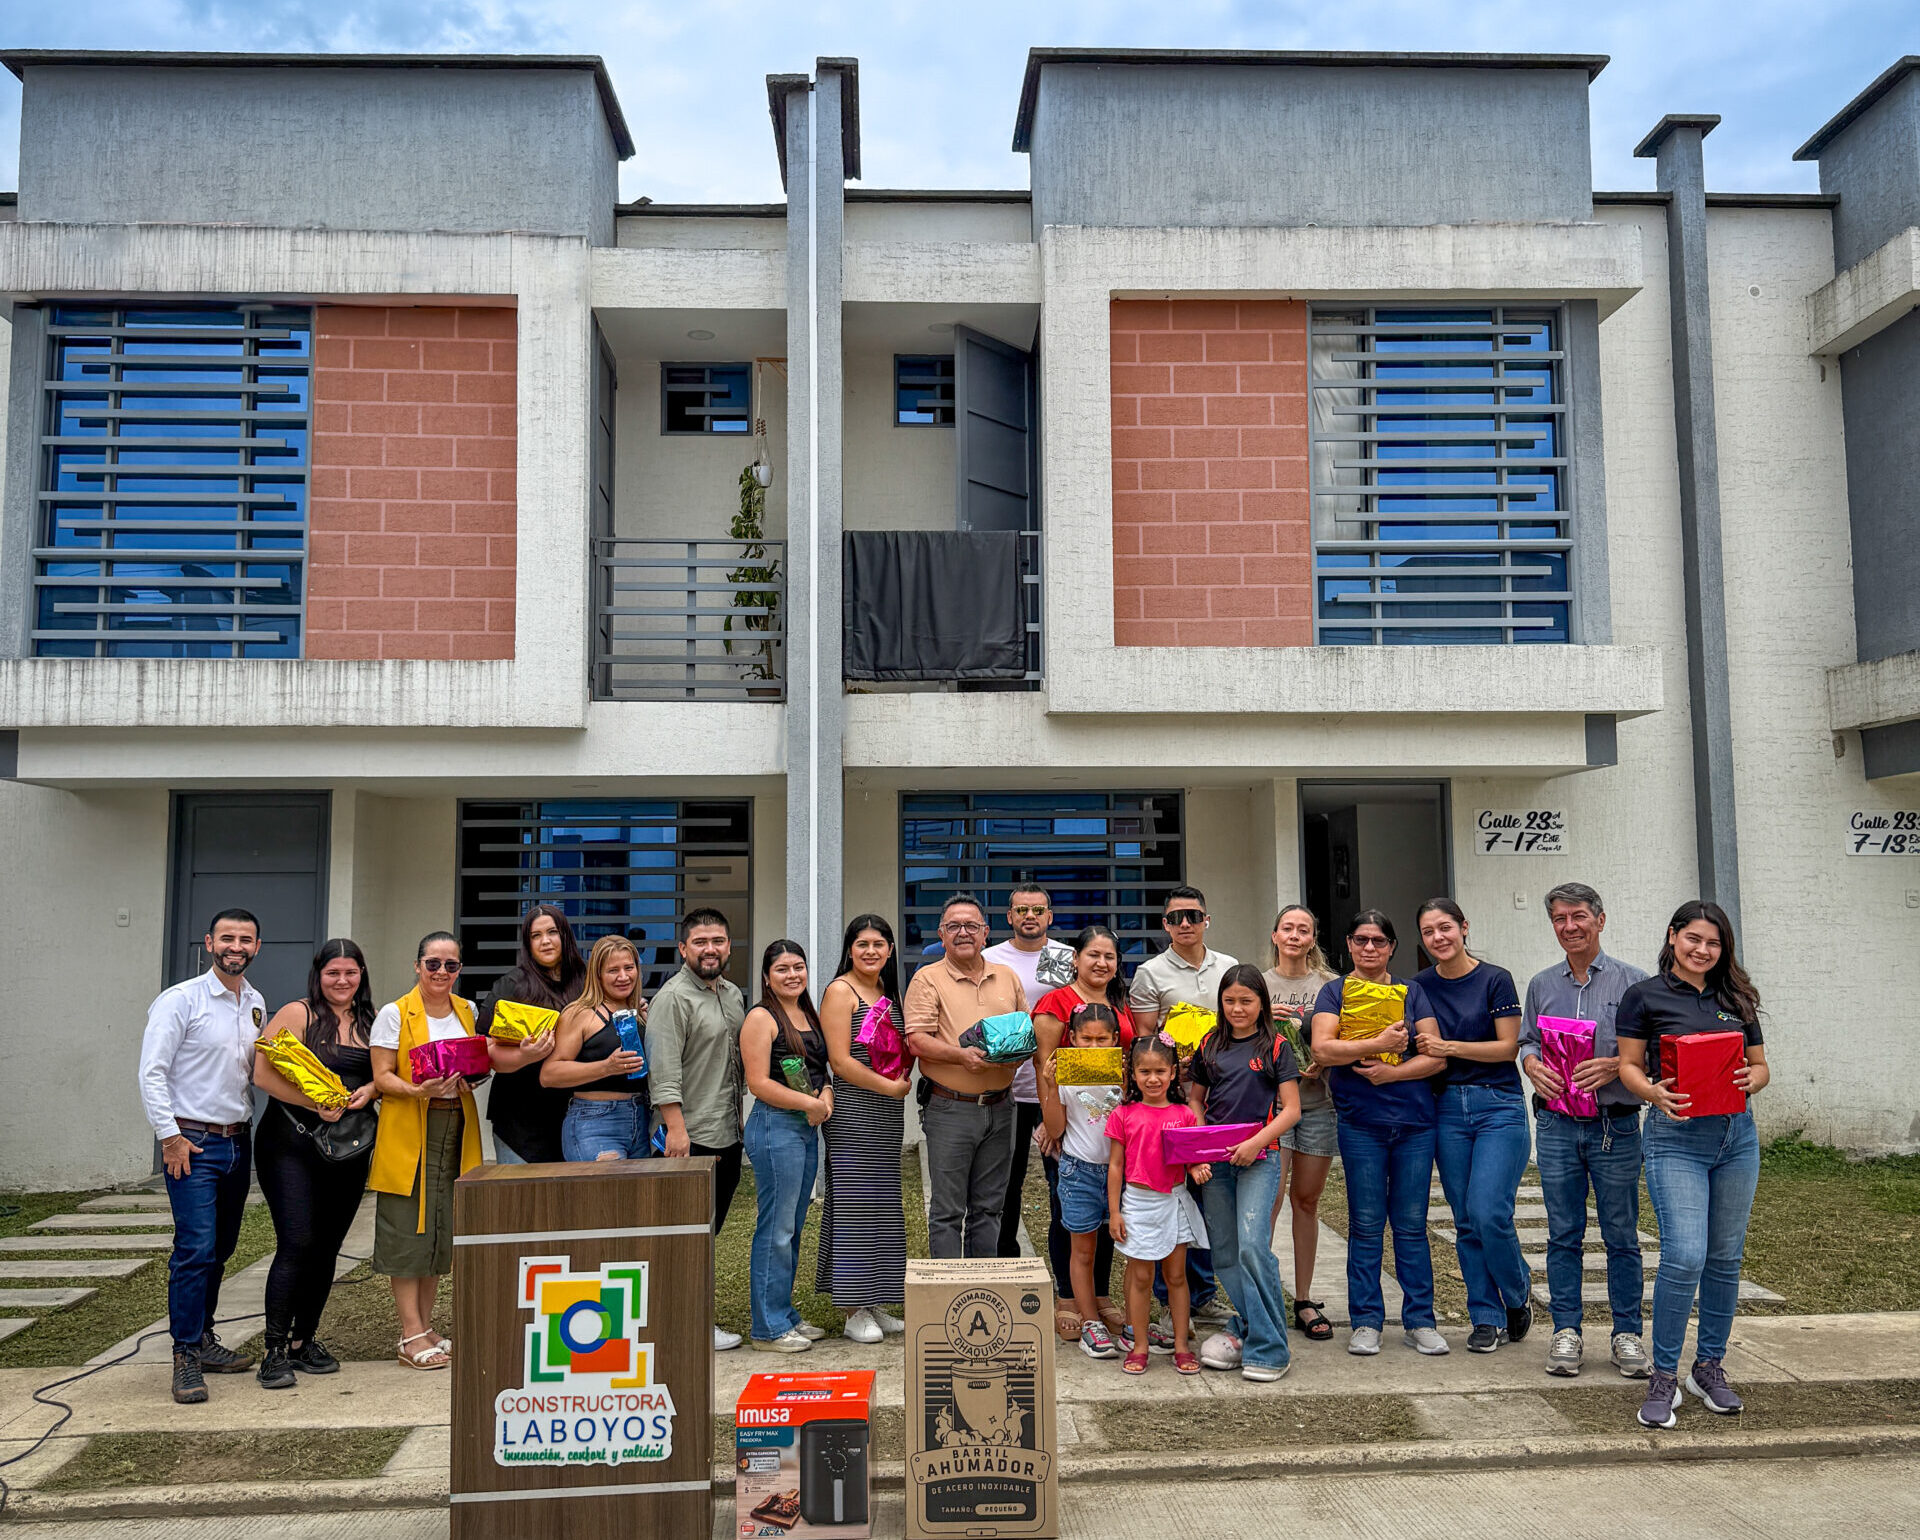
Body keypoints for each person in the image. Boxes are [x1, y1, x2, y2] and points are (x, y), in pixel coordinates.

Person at [1617, 900, 1770, 1430]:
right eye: (1694, 940)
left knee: (1725, 1258)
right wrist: (1652, 1094)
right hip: (1675, 1137)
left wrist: (1756, 1080)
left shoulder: (1737, 998)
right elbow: (1630, 1067)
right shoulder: (1644, 996)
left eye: (1714, 943)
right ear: (1673, 937)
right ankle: (1664, 1375)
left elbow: (1760, 1066)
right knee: (1684, 1256)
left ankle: (1708, 1368)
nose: (1703, 950)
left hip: (1737, 1138)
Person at [1518, 882, 1651, 1379]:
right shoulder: (1541, 984)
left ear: (1600, 919)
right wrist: (1531, 1065)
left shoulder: (1634, 985)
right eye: (1559, 919)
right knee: (1563, 1233)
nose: (1569, 927)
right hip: (1555, 1125)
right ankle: (1566, 1330)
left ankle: (1626, 1333)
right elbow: (1528, 1040)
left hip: (1615, 1127)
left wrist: (1618, 1065)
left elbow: (1654, 1052)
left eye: (1578, 917)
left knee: (1621, 1234)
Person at [138, 908, 267, 1405]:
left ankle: (206, 1338)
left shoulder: (254, 1002)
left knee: (223, 1247)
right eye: (228, 938)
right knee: (195, 1248)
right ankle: (185, 1354)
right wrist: (169, 1137)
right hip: (192, 1143)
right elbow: (152, 1071)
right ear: (210, 942)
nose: (237, 947)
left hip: (238, 1141)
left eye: (247, 940)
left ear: (258, 947)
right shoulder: (180, 1000)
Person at [1310, 910, 1449, 1358]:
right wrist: (1379, 1046)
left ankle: (1420, 1320)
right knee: (1366, 1224)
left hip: (1414, 1123)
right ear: (1349, 945)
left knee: (1411, 1226)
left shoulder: (1413, 992)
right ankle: (1366, 1320)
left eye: (1379, 940)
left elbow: (1437, 1057)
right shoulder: (1335, 992)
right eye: (1361, 940)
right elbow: (1323, 1049)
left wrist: (1391, 1074)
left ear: (1391, 946)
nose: (1370, 948)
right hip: (1360, 1123)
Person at [251, 939, 379, 1390]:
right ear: (318, 975)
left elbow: (383, 1075)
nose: (342, 981)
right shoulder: (297, 1014)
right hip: (291, 1145)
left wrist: (372, 1092)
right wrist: (314, 1102)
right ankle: (274, 1349)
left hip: (347, 1149)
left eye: (351, 973)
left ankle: (305, 1341)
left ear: (362, 974)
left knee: (327, 1246)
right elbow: (262, 1074)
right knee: (298, 1242)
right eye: (333, 974)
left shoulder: (372, 1020)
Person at [1411, 898, 1532, 1354]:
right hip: (1444, 1108)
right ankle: (1486, 1314)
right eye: (1428, 932)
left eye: (1445, 928)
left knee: (1489, 1211)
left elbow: (1506, 1049)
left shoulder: (1494, 978)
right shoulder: (1418, 986)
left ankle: (1517, 1294)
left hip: (1497, 1104)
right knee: (1464, 1220)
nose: (1438, 938)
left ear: (1464, 927)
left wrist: (1448, 1047)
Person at [368, 932, 488, 1372]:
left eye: (451, 965)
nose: (442, 973)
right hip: (410, 1128)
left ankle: (427, 1327)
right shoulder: (394, 1014)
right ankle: (409, 1332)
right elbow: (382, 1077)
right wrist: (418, 1089)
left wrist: (474, 1077)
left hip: (456, 1123)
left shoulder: (468, 1011)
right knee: (407, 1227)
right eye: (433, 964)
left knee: (440, 1225)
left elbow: (475, 1061)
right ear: (417, 966)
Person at [1127, 886, 1234, 1330]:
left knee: (1207, 1198)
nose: (1185, 923)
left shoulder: (1229, 967)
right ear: (1165, 925)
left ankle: (1203, 1296)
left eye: (1193, 915)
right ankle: (1169, 1305)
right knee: (1168, 1198)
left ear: (1207, 919)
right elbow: (1145, 1040)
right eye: (1176, 918)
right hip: (1170, 1101)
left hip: (1223, 1098)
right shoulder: (1149, 973)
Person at [1188, 965, 1302, 1382]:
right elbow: (1196, 1100)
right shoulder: (1209, 1044)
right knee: (1223, 1253)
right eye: (1229, 1000)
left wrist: (1255, 1142)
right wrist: (1201, 1138)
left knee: (1253, 1247)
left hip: (1260, 1158)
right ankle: (1254, 1327)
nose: (1237, 1008)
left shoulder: (1275, 1046)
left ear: (1261, 1004)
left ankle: (1271, 1348)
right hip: (1216, 1164)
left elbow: (1291, 1109)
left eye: (1246, 1001)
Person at [903, 894, 1028, 1258]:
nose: (963, 933)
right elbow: (917, 1041)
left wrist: (1014, 1058)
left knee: (990, 1207)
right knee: (947, 1211)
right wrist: (960, 1056)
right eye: (953, 926)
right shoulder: (927, 979)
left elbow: (1025, 1030)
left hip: (1002, 1107)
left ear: (985, 933)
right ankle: (948, 1296)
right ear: (941, 935)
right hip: (950, 1108)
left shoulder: (1006, 977)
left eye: (971, 926)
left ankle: (982, 1290)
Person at [647, 907, 749, 1350]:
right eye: (701, 942)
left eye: (719, 941)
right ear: (683, 948)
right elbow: (663, 1071)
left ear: (728, 946)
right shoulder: (673, 998)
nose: (711, 950)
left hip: (727, 1130)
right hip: (689, 1135)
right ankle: (684, 1326)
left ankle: (691, 1319)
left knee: (706, 1235)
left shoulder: (731, 994)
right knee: (685, 1237)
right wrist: (675, 1129)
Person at [1030, 925, 1135, 1343]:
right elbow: (1045, 1065)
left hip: (1112, 1129)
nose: (1101, 962)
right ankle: (1070, 1297)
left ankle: (1099, 1295)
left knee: (1110, 1217)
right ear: (1075, 958)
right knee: (1070, 1217)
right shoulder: (1056, 1002)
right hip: (1070, 1124)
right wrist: (1049, 1118)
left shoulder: (1118, 1002)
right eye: (1093, 954)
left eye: (1109, 956)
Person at [816, 914, 912, 1344]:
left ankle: (875, 1300)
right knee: (855, 1211)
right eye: (862, 944)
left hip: (886, 1116)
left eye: (879, 944)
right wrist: (890, 1087)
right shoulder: (841, 991)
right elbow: (840, 1062)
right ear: (849, 950)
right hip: (855, 1114)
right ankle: (854, 1309)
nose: (871, 951)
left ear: (890, 950)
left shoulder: (887, 993)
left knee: (881, 1211)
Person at [741, 940, 834, 1353]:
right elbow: (758, 1082)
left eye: (798, 967)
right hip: (775, 1126)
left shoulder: (806, 1013)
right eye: (782, 969)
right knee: (776, 1229)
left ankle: (784, 1312)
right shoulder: (762, 1017)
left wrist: (825, 1095)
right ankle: (767, 1328)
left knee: (793, 1227)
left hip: (805, 1125)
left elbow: (819, 1068)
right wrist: (810, 1104)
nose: (792, 975)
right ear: (766, 977)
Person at [982, 885, 1078, 1265]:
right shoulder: (991, 959)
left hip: (1061, 1089)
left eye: (1038, 909)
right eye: (1021, 910)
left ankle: (1070, 1272)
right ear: (1009, 917)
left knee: (1065, 1184)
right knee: (1007, 1184)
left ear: (1050, 916)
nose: (1030, 916)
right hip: (1011, 1089)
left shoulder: (1067, 958)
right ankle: (1007, 1263)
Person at [1106, 1034, 1211, 1376]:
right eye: (1144, 1071)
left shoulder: (1184, 1114)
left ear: (1173, 1074)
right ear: (1132, 1074)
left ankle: (1181, 1345)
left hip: (1173, 1200)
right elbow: (1116, 1166)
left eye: (1160, 1071)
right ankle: (1139, 1345)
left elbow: (1189, 1158)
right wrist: (1115, 1212)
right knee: (1140, 1277)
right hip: (1137, 1204)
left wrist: (1197, 1168)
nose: (1153, 1079)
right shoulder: (1123, 1114)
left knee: (1176, 1275)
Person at [1262, 905, 1340, 1344]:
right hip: (1273, 1107)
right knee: (1270, 1201)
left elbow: (1343, 1041)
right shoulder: (1258, 982)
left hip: (1319, 1104)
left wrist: (1322, 1063)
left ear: (1313, 939)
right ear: (1275, 935)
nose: (1294, 935)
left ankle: (1305, 1298)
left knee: (1306, 1202)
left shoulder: (1329, 986)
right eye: (1287, 928)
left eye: (1303, 930)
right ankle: (1265, 1293)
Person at [1035, 1002, 1125, 1359]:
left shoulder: (1126, 1073)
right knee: (1082, 1248)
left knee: (1127, 1245)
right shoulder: (1066, 1076)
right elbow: (1055, 1129)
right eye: (1085, 1039)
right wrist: (1051, 1086)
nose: (1093, 1047)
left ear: (1115, 1039)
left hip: (1121, 1170)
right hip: (1078, 1170)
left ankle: (1129, 1320)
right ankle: (1091, 1322)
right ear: (1070, 1039)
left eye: (1102, 1040)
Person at [479, 904, 586, 1164]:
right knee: (522, 1203)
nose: (545, 941)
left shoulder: (586, 982)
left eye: (552, 932)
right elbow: (486, 1050)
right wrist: (524, 1056)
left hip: (578, 1120)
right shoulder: (512, 984)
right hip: (520, 1123)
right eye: (536, 936)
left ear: (565, 936)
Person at [544, 936, 651, 1162]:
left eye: (629, 968)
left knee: (639, 1197)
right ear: (598, 974)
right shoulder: (580, 1013)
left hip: (642, 1118)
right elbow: (549, 1074)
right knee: (605, 1194)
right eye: (613, 970)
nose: (623, 976)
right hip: (595, 1121)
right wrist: (606, 1067)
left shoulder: (641, 1012)